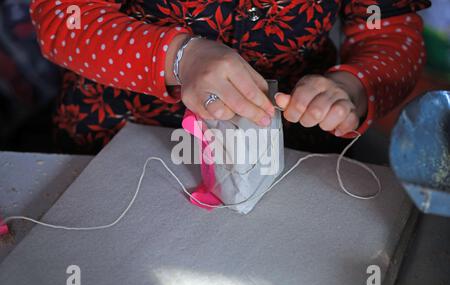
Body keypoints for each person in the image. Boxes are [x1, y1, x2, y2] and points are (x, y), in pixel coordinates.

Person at [30, 0, 431, 153]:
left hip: (292, 147)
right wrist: (178, 59)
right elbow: (64, 18)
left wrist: (352, 87)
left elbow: (389, 27)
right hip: (117, 136)